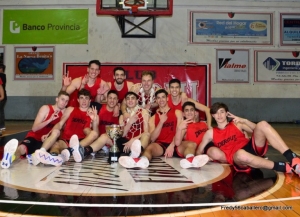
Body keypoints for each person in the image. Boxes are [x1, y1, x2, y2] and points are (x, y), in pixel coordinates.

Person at [196, 102, 300, 176]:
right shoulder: (210, 133)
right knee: (241, 154)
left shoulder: (236, 123)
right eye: (216, 113)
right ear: (213, 115)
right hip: (238, 157)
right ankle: (284, 167)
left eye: (222, 112)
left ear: (227, 113)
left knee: (263, 124)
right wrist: (199, 159)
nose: (219, 115)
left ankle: (293, 158)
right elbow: (199, 150)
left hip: (252, 148)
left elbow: (259, 129)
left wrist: (244, 120)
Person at [118, 89, 209, 169]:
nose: (161, 100)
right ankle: (140, 161)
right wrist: (161, 122)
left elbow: (179, 131)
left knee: (191, 144)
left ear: (167, 98)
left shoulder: (177, 112)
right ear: (156, 100)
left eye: (163, 97)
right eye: (158, 98)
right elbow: (152, 138)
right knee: (149, 148)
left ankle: (190, 160)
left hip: (175, 144)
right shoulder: (153, 118)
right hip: (160, 144)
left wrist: (172, 145)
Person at [1, 91, 70, 169]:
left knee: (55, 146)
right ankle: (10, 157)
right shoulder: (46, 108)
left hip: (48, 140)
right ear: (57, 99)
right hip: (35, 136)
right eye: (62, 99)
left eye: (66, 101)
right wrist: (49, 120)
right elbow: (34, 128)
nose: (64, 102)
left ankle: (36, 155)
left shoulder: (65, 113)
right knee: (22, 148)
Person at [34, 89, 99, 166]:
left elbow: (96, 134)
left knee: (94, 133)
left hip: (81, 142)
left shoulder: (94, 114)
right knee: (56, 145)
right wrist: (49, 133)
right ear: (78, 100)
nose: (84, 101)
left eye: (86, 98)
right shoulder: (70, 109)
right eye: (81, 98)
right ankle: (53, 157)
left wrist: (94, 120)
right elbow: (60, 124)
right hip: (66, 140)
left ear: (90, 100)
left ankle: (71, 150)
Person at [80, 91, 150, 160]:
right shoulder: (122, 115)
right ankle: (84, 151)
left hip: (138, 142)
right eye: (128, 98)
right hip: (124, 143)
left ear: (137, 101)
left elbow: (146, 132)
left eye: (133, 98)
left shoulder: (143, 112)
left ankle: (137, 153)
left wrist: (133, 140)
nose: (130, 100)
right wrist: (129, 123)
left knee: (147, 135)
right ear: (125, 101)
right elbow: (122, 134)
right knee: (104, 136)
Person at [174, 101, 210, 168]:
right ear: (183, 114)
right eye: (187, 110)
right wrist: (179, 128)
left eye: (191, 110)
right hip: (186, 148)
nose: (189, 112)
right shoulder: (184, 125)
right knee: (192, 144)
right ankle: (191, 160)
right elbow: (177, 143)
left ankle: (192, 160)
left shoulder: (204, 124)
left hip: (199, 150)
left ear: (195, 112)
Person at [0, 63, 7, 131]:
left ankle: (1, 125)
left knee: (0, 111)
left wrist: (2, 96)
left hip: (2, 96)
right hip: (3, 96)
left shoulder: (2, 75)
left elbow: (1, 87)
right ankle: (2, 125)